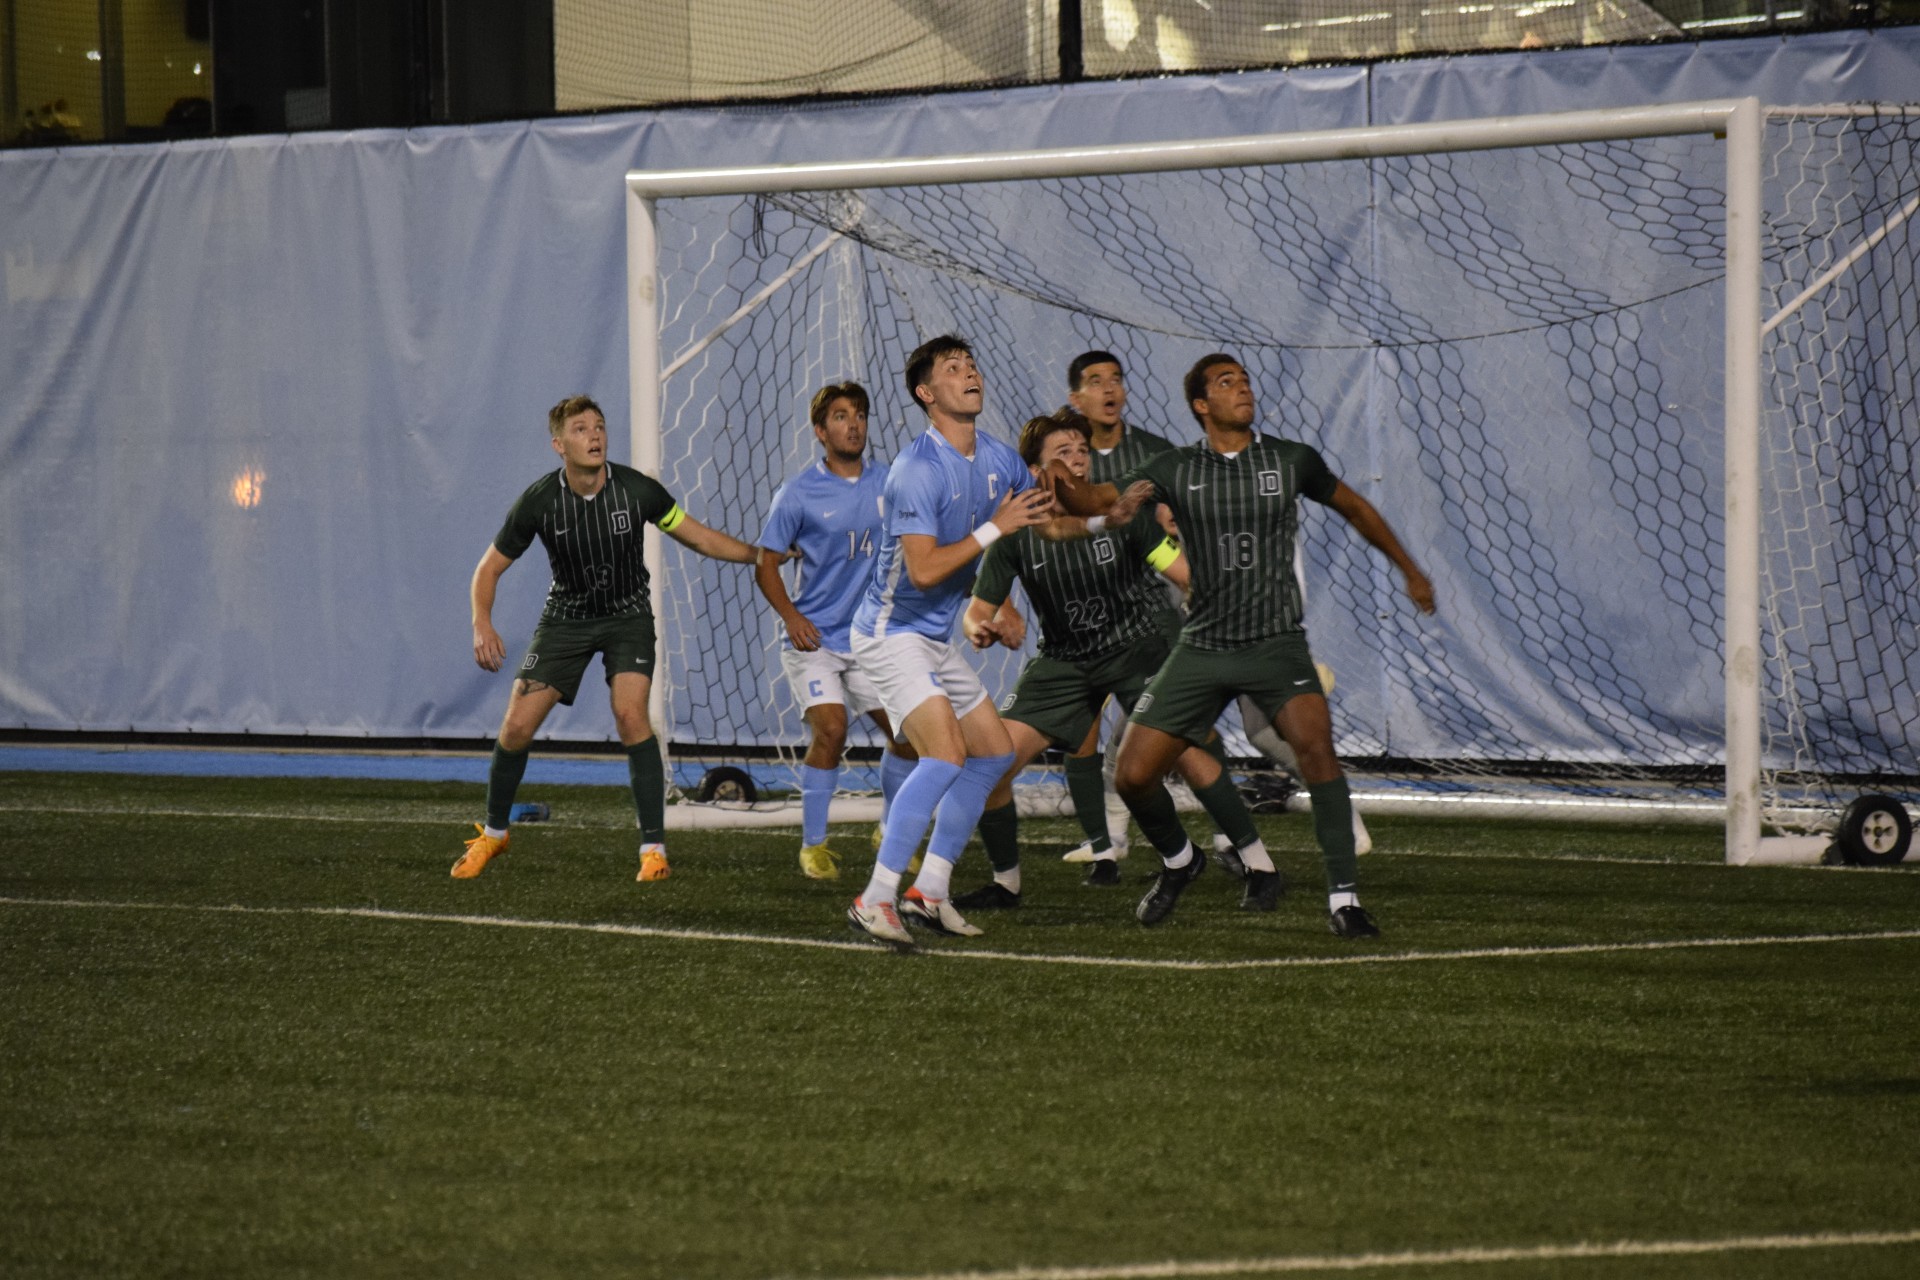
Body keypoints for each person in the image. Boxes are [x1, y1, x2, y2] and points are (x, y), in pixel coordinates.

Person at [1049, 354, 1434, 939]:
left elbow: (1353, 505)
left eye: (1245, 380)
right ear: (1202, 405)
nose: (1243, 389)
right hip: (1202, 645)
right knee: (1131, 776)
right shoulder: (1174, 468)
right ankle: (1182, 860)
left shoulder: (1289, 459)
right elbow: (1093, 502)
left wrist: (1409, 568)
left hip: (1277, 643)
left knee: (1316, 752)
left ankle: (1345, 900)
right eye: (1227, 383)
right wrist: (1060, 477)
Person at [954, 411, 1277, 908]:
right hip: (1064, 662)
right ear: (1035, 470)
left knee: (1187, 753)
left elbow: (1185, 573)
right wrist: (983, 629)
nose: (1077, 457)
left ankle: (1259, 865)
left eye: (1081, 449)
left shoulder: (1121, 514)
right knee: (990, 763)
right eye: (1062, 452)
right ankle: (1006, 884)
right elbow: (976, 611)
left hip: (1137, 649)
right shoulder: (1018, 531)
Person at [843, 335, 1101, 949]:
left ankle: (930, 890)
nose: (970, 374)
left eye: (972, 365)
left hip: (932, 636)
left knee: (990, 755)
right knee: (946, 756)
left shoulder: (996, 457)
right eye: (953, 369)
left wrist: (1105, 517)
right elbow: (927, 570)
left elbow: (1043, 519)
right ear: (927, 394)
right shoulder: (914, 470)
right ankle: (874, 899)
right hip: (889, 634)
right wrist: (996, 527)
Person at [453, 394, 760, 883]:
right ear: (559, 444)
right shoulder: (539, 501)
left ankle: (653, 850)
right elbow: (488, 569)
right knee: (515, 727)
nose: (594, 435)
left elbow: (698, 536)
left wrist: (757, 555)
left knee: (630, 714)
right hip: (566, 619)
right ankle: (494, 834)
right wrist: (481, 623)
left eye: (599, 426)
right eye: (580, 429)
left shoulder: (637, 491)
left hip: (626, 617)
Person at [755, 382, 918, 880]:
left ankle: (891, 831)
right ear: (821, 430)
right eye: (842, 416)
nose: (854, 424)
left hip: (871, 638)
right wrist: (792, 617)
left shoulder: (891, 483)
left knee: (909, 735)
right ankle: (813, 846)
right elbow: (766, 565)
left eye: (861, 415)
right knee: (832, 727)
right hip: (816, 641)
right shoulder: (798, 493)